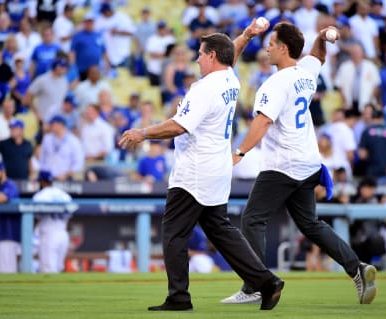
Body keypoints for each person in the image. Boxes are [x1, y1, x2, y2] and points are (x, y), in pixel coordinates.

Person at [119, 19, 284, 311]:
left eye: (200, 52)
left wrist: (141, 132)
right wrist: (245, 35)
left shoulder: (205, 88)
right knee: (220, 229)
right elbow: (230, 54)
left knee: (173, 233)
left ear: (211, 56)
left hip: (194, 172)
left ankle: (179, 297)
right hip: (217, 168)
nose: (196, 57)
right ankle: (266, 281)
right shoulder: (230, 79)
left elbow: (180, 126)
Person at [224, 22, 377, 305]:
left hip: (284, 163)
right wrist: (321, 38)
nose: (267, 48)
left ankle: (256, 285)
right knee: (310, 223)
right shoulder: (306, 73)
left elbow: (263, 121)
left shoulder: (275, 82)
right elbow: (318, 56)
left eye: (271, 43)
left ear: (283, 48)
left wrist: (240, 152)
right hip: (309, 163)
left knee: (253, 218)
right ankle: (357, 268)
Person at [32, 170, 72, 273]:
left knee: (48, 270)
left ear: (41, 181)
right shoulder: (64, 195)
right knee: (58, 269)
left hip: (49, 235)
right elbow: (70, 214)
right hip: (63, 234)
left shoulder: (39, 196)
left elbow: (35, 217)